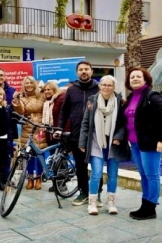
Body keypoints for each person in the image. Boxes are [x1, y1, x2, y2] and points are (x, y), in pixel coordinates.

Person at [123, 67, 162, 220]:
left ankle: (151, 208)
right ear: (128, 81)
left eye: (139, 76)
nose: (135, 79)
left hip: (150, 143)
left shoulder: (152, 95)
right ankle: (145, 205)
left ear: (145, 80)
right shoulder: (131, 97)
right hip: (135, 143)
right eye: (132, 77)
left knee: (152, 175)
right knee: (144, 175)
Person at [79, 75, 130, 215]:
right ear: (100, 86)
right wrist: (82, 143)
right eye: (104, 84)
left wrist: (118, 137)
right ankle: (92, 203)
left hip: (113, 144)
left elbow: (123, 124)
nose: (106, 87)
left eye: (110, 85)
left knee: (113, 175)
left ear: (114, 87)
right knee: (96, 174)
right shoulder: (92, 101)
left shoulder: (121, 102)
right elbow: (85, 124)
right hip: (96, 142)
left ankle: (111, 203)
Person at [55, 61, 104, 206]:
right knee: (80, 166)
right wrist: (60, 128)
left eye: (86, 69)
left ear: (91, 71)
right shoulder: (71, 90)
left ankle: (97, 193)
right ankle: (83, 193)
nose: (84, 72)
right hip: (76, 134)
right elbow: (64, 111)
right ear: (77, 73)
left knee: (97, 166)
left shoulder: (99, 88)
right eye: (81, 69)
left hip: (96, 134)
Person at [12, 76, 47, 190]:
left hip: (41, 127)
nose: (29, 85)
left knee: (40, 154)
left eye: (31, 83)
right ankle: (30, 178)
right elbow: (20, 111)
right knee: (29, 155)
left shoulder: (42, 95)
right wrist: (16, 102)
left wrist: (44, 88)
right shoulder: (22, 97)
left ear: (34, 84)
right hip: (28, 128)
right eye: (26, 83)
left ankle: (39, 178)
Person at [42, 81, 70, 192]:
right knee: (54, 160)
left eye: (49, 89)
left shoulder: (60, 98)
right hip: (51, 135)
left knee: (61, 161)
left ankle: (62, 184)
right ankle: (56, 184)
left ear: (54, 89)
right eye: (45, 90)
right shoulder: (47, 102)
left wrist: (65, 132)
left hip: (60, 134)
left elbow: (66, 117)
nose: (47, 91)